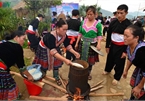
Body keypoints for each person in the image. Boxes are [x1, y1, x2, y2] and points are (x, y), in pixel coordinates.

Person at [33, 19, 80, 85]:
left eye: (66, 29)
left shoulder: (64, 36)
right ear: (57, 28)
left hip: (54, 47)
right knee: (44, 63)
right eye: (63, 29)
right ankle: (42, 75)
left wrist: (75, 52)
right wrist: (65, 60)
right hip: (44, 48)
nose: (65, 31)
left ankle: (56, 77)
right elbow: (53, 52)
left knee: (56, 63)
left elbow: (68, 45)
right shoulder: (51, 36)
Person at [103, 4, 132, 85]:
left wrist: (126, 51)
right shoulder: (113, 22)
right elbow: (109, 34)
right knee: (110, 59)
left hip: (122, 47)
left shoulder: (129, 25)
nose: (119, 15)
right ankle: (107, 70)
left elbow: (129, 40)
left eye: (121, 13)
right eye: (118, 13)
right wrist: (107, 46)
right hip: (112, 45)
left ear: (126, 13)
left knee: (119, 63)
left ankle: (117, 77)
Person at [0, 31, 33, 100]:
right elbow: (22, 67)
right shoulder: (17, 47)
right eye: (23, 39)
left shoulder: (4, 42)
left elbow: (13, 60)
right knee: (11, 87)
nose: (24, 42)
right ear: (16, 37)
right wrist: (30, 76)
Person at [75, 6, 102, 80]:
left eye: (91, 14)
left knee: (90, 61)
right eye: (88, 14)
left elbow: (99, 35)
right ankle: (81, 71)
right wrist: (77, 43)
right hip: (82, 43)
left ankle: (88, 73)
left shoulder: (98, 24)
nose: (89, 16)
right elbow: (80, 33)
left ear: (95, 14)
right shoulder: (83, 22)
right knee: (81, 59)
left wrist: (99, 44)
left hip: (92, 45)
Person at [123, 25, 145, 100]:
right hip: (140, 71)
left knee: (141, 93)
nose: (124, 38)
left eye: (127, 36)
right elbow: (130, 58)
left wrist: (139, 86)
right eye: (124, 35)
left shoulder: (142, 50)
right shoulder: (129, 45)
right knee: (134, 89)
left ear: (136, 38)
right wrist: (126, 70)